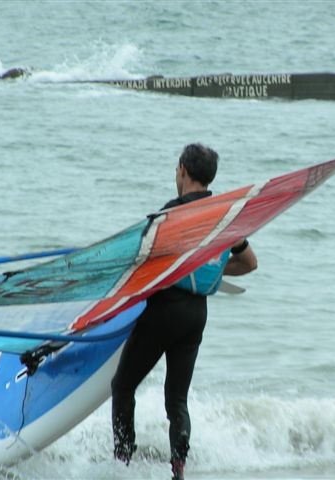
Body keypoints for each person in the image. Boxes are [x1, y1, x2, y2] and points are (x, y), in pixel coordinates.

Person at [111, 143, 257, 480]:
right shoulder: (225, 214)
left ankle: (121, 463)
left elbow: (143, 262)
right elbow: (250, 263)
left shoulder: (173, 213)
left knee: (122, 386)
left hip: (164, 311)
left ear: (182, 171)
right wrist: (210, 272)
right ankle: (178, 469)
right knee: (177, 399)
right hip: (195, 317)